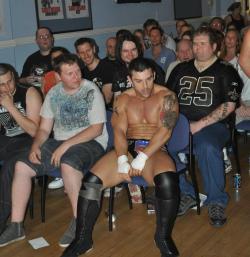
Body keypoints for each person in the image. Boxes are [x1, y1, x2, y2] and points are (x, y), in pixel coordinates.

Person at [61, 57, 180, 257]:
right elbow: (119, 132)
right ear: (130, 79)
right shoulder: (123, 98)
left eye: (149, 79)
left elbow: (165, 132)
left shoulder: (167, 96)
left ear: (153, 75)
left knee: (167, 182)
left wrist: (142, 158)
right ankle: (82, 239)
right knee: (90, 182)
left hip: (155, 149)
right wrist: (122, 159)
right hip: (129, 146)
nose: (145, 86)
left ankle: (163, 237)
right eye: (139, 81)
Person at [0, 54, 108, 248]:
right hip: (60, 142)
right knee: (21, 166)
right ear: (58, 76)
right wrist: (35, 146)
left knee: (68, 164)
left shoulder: (91, 90)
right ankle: (16, 226)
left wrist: (65, 146)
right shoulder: (53, 94)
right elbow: (43, 129)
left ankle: (79, 224)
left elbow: (96, 129)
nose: (76, 76)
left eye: (77, 71)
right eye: (70, 73)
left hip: (91, 142)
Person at [166, 27, 242, 227]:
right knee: (162, 144)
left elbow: (229, 105)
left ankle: (216, 200)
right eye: (195, 44)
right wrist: (169, 122)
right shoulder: (180, 69)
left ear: (214, 46)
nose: (196, 48)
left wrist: (199, 125)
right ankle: (188, 193)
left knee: (206, 147)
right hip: (181, 124)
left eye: (202, 44)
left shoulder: (226, 71)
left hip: (214, 125)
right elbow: (167, 97)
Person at [0, 63, 42, 234]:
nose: (6, 87)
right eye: (0, 84)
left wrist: (10, 107)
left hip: (28, 142)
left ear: (14, 77)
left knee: (10, 167)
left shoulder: (29, 92)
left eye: (9, 82)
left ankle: (2, 220)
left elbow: (35, 131)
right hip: (5, 141)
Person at [41, 46, 70, 190]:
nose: (57, 62)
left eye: (60, 58)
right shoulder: (48, 77)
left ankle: (67, 172)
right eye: (54, 60)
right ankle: (60, 170)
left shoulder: (73, 75)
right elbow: (46, 100)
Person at [112, 33, 165, 98]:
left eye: (133, 50)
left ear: (138, 50)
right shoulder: (118, 72)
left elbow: (162, 93)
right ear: (120, 53)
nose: (130, 54)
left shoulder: (151, 66)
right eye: (125, 51)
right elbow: (117, 100)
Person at [74, 37, 115, 108]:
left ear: (94, 49)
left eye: (88, 50)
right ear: (78, 55)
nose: (86, 55)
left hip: (108, 111)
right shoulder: (81, 73)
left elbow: (106, 99)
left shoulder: (108, 67)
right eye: (82, 52)